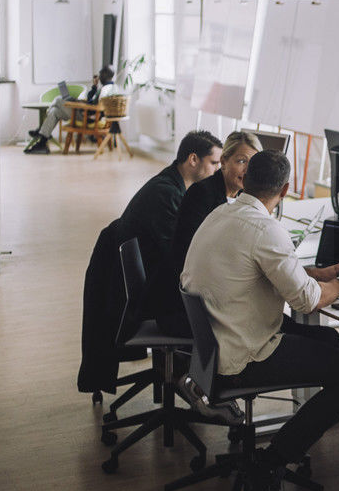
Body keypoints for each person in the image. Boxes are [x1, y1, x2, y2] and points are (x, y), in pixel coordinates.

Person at [181, 150, 339, 491]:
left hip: (215, 345)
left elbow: (258, 264)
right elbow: (308, 300)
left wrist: (315, 271)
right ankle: (269, 464)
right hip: (244, 355)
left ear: (244, 179)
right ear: (285, 189)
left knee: (332, 345)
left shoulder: (222, 213)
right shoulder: (266, 229)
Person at [148, 130, 262, 337]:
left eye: (252, 164)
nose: (247, 170)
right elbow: (200, 259)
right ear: (224, 161)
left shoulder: (241, 196)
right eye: (241, 161)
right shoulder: (203, 194)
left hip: (205, 297)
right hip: (183, 305)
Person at [119, 130, 222, 291]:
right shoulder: (166, 193)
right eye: (214, 163)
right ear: (193, 159)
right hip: (148, 279)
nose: (218, 170)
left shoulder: (174, 183)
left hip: (149, 267)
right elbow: (177, 252)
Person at [25, 67, 114, 154]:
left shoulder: (106, 89)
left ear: (105, 75)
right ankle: (42, 143)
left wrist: (80, 105)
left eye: (100, 74)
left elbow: (96, 108)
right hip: (84, 112)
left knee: (58, 99)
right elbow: (91, 101)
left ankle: (41, 130)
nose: (99, 76)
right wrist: (94, 87)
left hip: (87, 117)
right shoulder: (105, 87)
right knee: (55, 111)